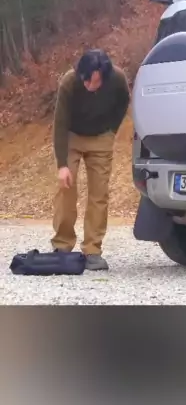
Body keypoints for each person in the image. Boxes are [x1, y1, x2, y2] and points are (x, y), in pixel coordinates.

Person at [51, 49, 130, 271]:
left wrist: (111, 130)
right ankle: (62, 245)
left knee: (99, 195)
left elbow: (124, 101)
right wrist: (62, 165)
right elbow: (60, 123)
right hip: (72, 136)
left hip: (101, 138)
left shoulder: (117, 78)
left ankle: (92, 250)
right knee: (66, 189)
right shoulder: (69, 82)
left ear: (104, 76)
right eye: (85, 80)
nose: (88, 85)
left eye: (94, 82)